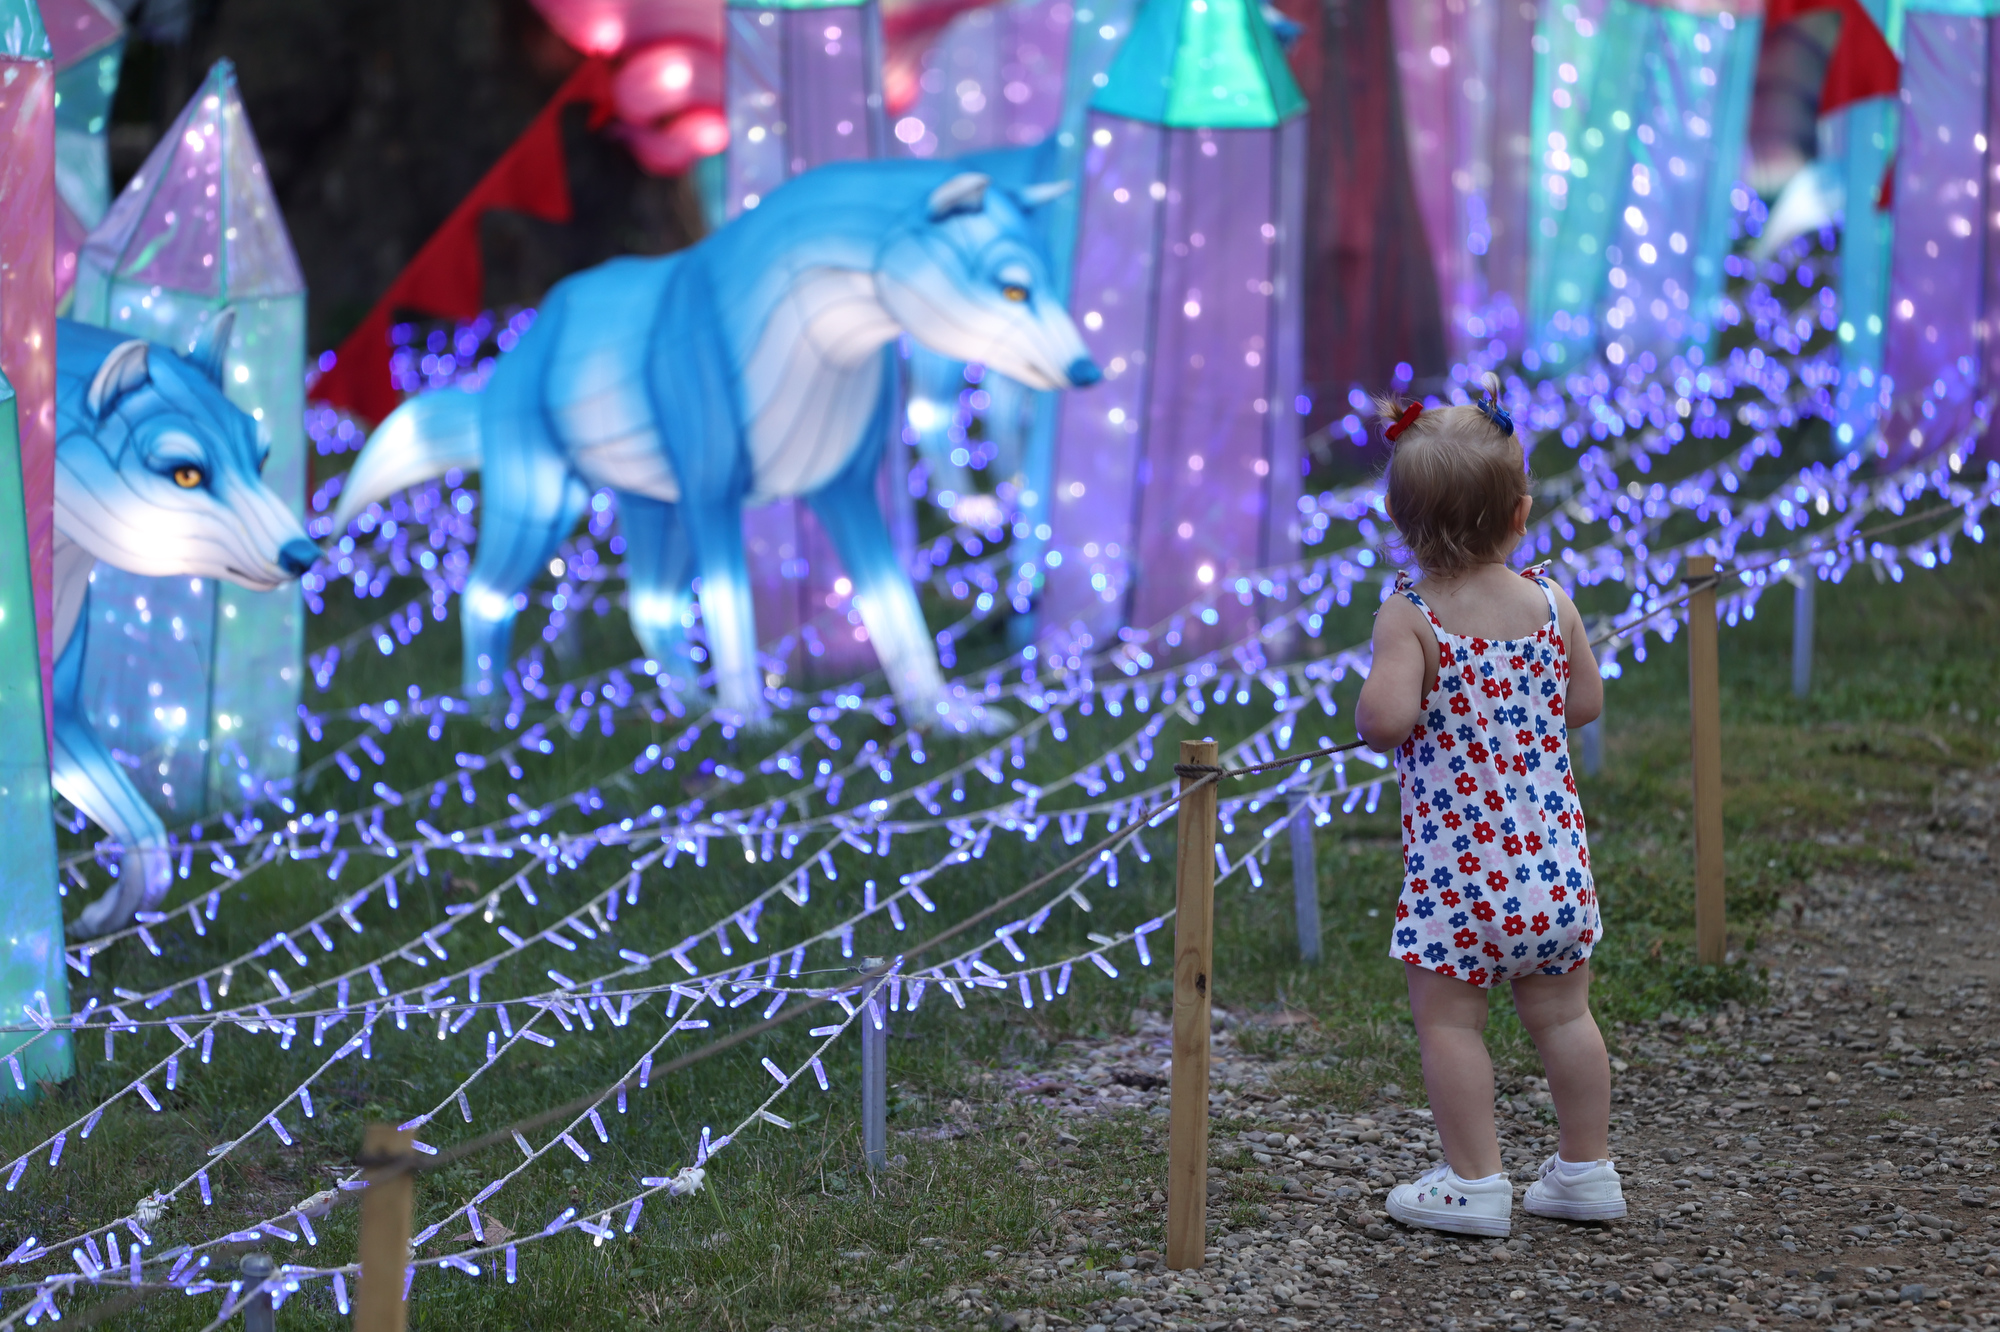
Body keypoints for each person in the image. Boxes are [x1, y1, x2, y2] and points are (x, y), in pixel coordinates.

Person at [1352, 373, 1624, 1238]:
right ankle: (1585, 1172)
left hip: (1459, 887)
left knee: (1452, 1028)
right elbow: (1584, 704)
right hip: (1553, 869)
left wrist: (1385, 698)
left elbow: (1386, 721)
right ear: (1519, 515)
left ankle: (1475, 1183)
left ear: (1403, 523)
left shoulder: (1413, 617)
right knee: (1565, 1017)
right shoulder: (1551, 602)